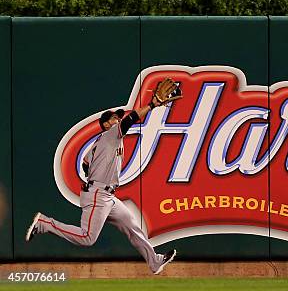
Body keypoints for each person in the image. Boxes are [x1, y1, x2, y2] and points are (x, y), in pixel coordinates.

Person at [25, 78, 181, 275]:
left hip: (106, 195)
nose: (117, 119)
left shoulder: (101, 144)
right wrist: (152, 104)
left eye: (118, 118)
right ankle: (45, 224)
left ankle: (154, 261)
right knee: (87, 238)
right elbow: (131, 119)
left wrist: (93, 179)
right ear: (106, 124)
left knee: (131, 225)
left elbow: (85, 164)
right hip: (99, 195)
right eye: (114, 118)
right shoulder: (110, 135)